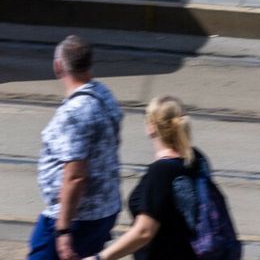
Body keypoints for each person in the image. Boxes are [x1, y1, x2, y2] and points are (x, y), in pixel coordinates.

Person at [84, 97, 228, 260]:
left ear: (151, 127)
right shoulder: (196, 158)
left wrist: (100, 257)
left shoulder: (161, 172)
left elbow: (144, 231)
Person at [31, 35, 123, 260]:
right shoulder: (103, 94)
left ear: (58, 66)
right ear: (89, 64)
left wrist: (63, 230)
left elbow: (75, 177)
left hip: (77, 217)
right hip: (104, 209)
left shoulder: (75, 112)